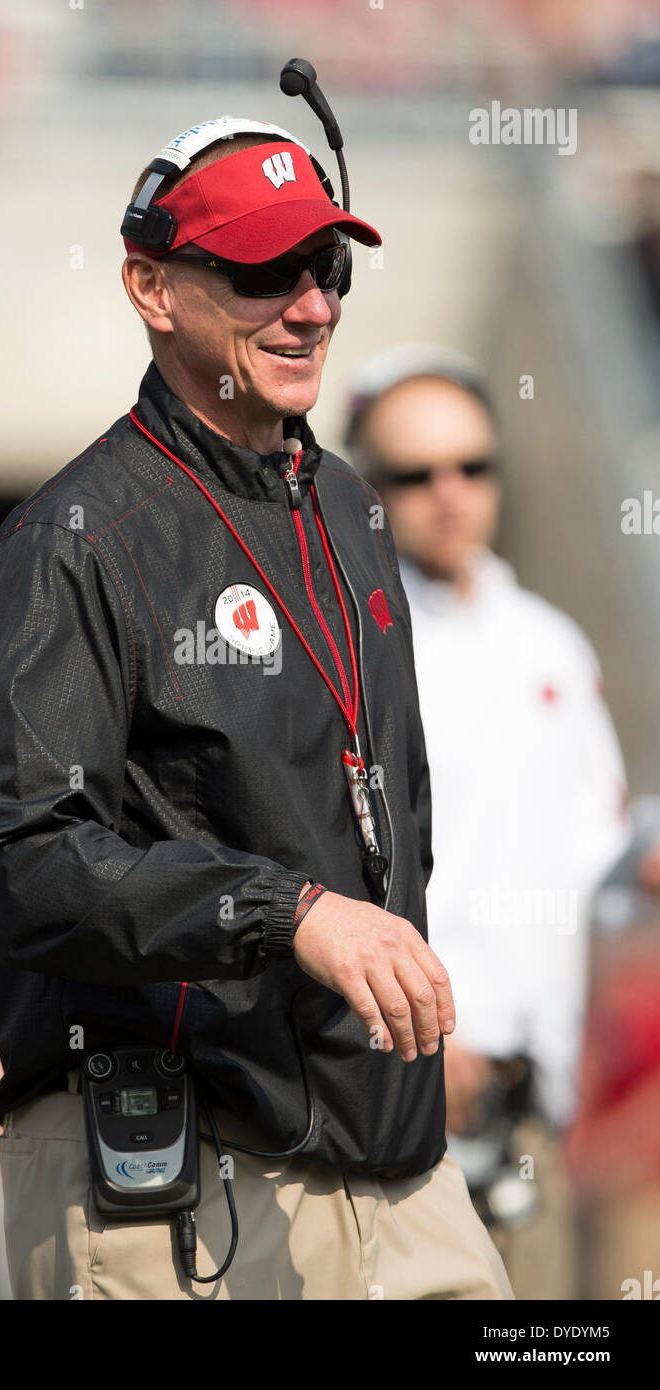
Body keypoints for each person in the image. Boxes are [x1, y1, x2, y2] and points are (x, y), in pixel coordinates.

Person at [0, 120, 512, 1300]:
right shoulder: (74, 542)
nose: (309, 308)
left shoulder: (349, 506)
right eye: (263, 273)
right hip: (178, 1179)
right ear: (151, 288)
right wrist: (280, 910)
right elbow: (15, 857)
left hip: (395, 1171)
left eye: (328, 269)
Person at [344, 344, 631, 1298]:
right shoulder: (352, 641)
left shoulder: (546, 639)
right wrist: (425, 1033)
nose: (450, 492)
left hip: (529, 1099)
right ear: (369, 488)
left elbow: (597, 852)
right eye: (415, 474)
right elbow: (328, 870)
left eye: (473, 464)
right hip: (404, 1091)